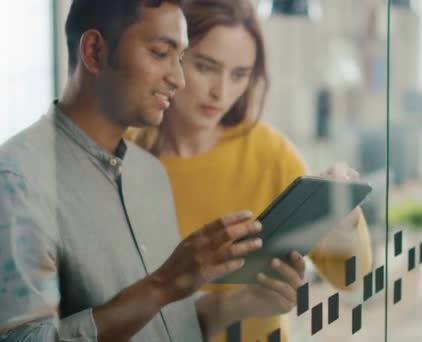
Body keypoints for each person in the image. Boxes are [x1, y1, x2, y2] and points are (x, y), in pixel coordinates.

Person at [0, 1, 303, 341]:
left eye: (181, 58)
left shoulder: (150, 175)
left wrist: (238, 303)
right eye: (160, 53)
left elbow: (170, 323)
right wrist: (162, 285)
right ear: (95, 51)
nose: (178, 78)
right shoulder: (17, 181)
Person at [128, 0, 374, 341]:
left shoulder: (270, 153)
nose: (221, 91)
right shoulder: (124, 152)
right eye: (205, 66)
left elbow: (352, 278)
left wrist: (342, 216)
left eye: (239, 74)